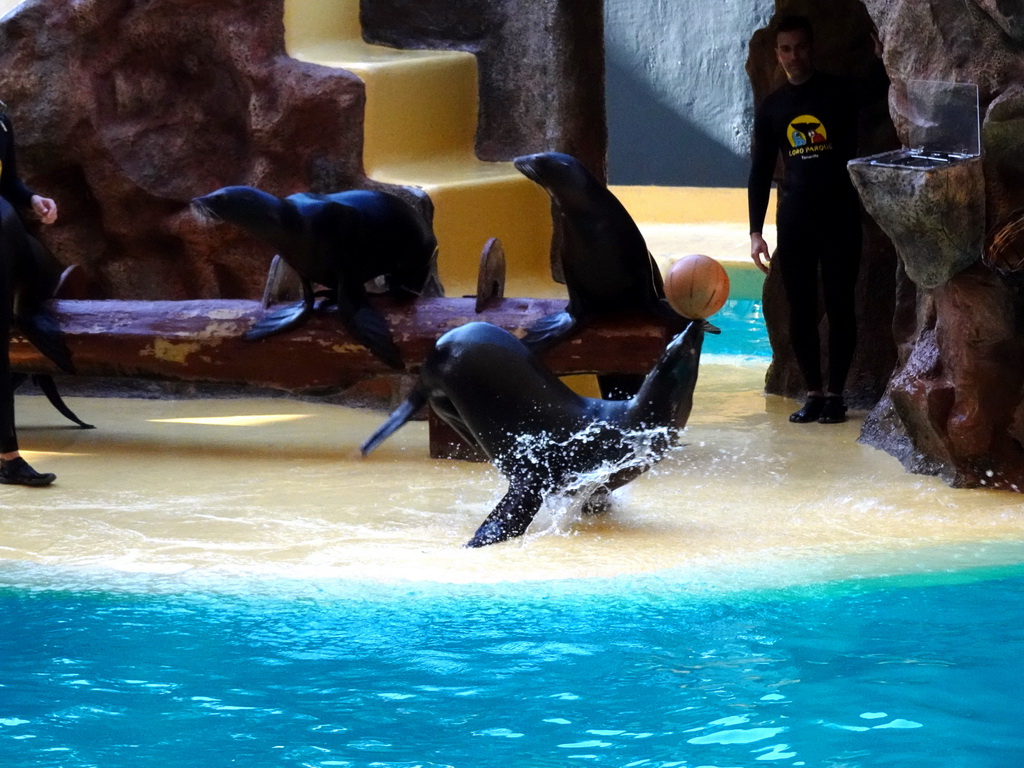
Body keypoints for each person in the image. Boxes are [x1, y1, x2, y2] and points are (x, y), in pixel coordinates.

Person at [747, 15, 886, 425]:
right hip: (795, 218)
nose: (794, 56)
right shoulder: (773, 108)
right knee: (801, 309)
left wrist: (882, 55)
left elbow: (877, 89)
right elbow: (759, 171)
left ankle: (837, 395)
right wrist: (755, 232)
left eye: (801, 47)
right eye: (786, 49)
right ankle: (813, 393)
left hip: (840, 213)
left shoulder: (837, 92)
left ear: (812, 48)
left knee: (842, 305)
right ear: (777, 54)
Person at [0, 104, 61, 486]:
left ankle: (8, 459)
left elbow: (9, 181)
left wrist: (32, 198)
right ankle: (9, 457)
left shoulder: (2, 116)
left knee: (46, 270)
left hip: (6, 233)